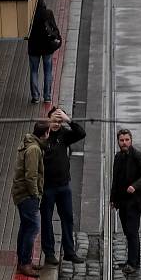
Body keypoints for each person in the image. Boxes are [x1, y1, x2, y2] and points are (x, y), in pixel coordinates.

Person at [41, 106, 86, 265]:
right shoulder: (43, 135)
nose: (57, 124)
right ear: (48, 120)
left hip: (63, 185)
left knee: (67, 218)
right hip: (47, 188)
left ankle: (69, 251)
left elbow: (81, 133)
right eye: (55, 120)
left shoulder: (64, 135)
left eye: (60, 121)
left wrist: (69, 120)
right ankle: (49, 252)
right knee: (46, 220)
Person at [110, 129, 141, 275]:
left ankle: (133, 263)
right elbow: (115, 179)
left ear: (131, 140)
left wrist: (135, 186)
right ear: (118, 142)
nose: (124, 143)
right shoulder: (118, 157)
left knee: (132, 232)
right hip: (122, 201)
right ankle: (132, 260)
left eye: (127, 140)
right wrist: (113, 199)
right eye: (122, 140)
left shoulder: (138, 156)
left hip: (134, 201)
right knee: (128, 232)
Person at [12, 121, 49, 277]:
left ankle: (22, 260)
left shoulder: (30, 143)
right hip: (27, 195)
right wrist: (36, 194)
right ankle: (25, 263)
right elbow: (31, 175)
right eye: (48, 133)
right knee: (33, 227)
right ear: (45, 133)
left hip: (21, 193)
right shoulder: (34, 149)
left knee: (26, 226)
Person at [27, 0, 61, 104]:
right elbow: (54, 28)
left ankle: (35, 97)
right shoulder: (48, 13)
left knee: (33, 71)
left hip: (33, 48)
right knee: (48, 72)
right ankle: (47, 97)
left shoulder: (30, 16)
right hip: (47, 48)